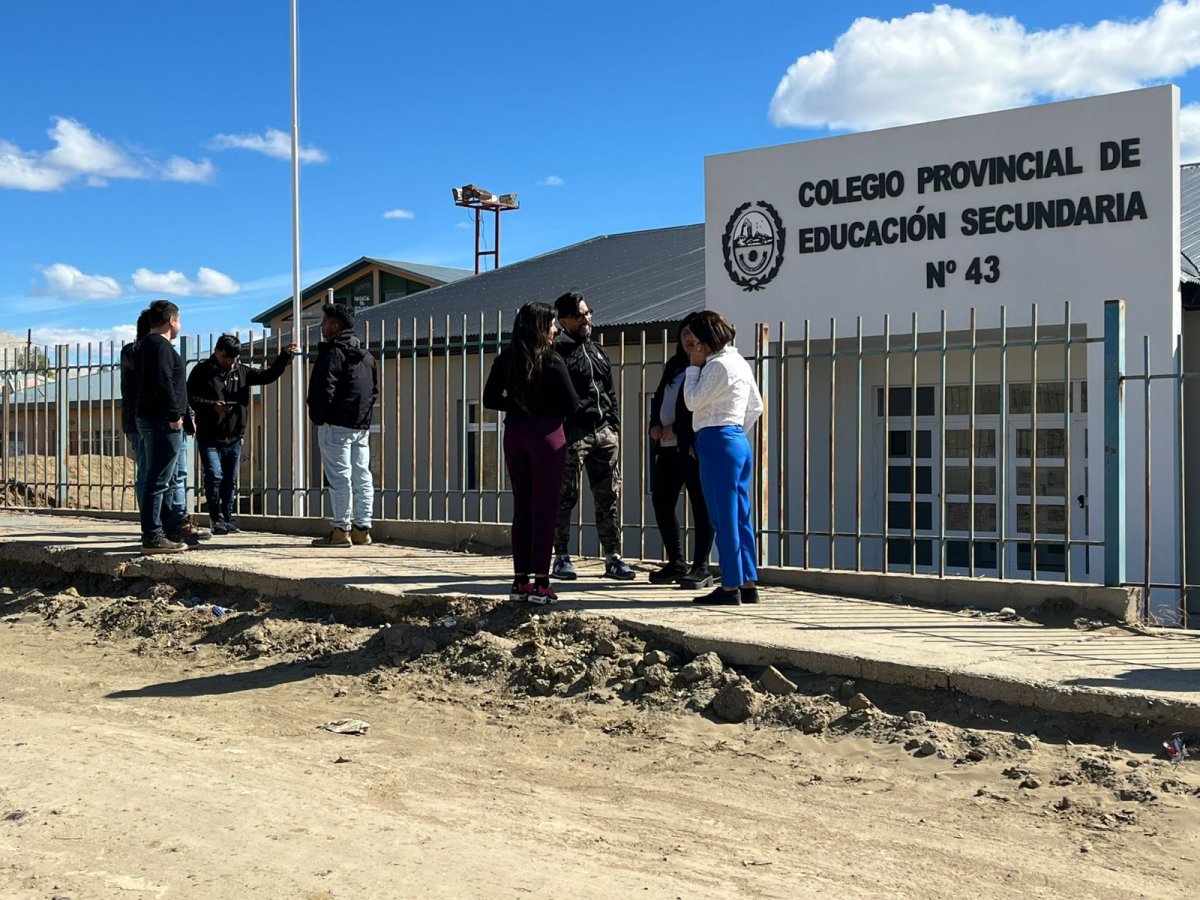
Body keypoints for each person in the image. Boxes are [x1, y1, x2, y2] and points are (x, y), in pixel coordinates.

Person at [483, 302, 580, 604]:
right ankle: (542, 583)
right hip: (547, 436)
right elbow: (572, 404)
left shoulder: (506, 358)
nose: (555, 330)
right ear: (539, 327)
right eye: (551, 324)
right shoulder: (552, 360)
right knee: (545, 509)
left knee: (522, 507)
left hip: (515, 434)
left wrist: (518, 405)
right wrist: (543, 409)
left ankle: (520, 581)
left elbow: (489, 398)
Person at [551, 291, 635, 581]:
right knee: (565, 496)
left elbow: (609, 390)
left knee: (609, 495)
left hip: (604, 433)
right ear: (563, 321)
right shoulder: (557, 353)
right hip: (573, 432)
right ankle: (561, 556)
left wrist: (614, 425)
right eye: (579, 315)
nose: (586, 319)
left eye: (588, 313)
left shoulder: (599, 350)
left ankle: (613, 557)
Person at [682, 311, 764, 605]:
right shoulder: (739, 361)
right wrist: (735, 430)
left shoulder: (716, 366)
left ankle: (730, 585)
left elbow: (692, 400)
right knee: (740, 515)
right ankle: (748, 582)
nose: (692, 344)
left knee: (723, 516)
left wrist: (693, 368)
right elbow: (756, 406)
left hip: (716, 438)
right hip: (735, 439)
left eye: (695, 338)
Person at [188, 333, 297, 534]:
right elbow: (191, 398)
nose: (229, 362)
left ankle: (228, 519)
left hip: (234, 436)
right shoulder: (201, 371)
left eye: (233, 358)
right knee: (214, 475)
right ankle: (216, 518)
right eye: (225, 358)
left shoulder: (242, 371)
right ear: (216, 352)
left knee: (230, 479)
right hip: (209, 435)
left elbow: (267, 376)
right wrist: (213, 406)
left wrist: (284, 357)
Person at [647, 312, 715, 588]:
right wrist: (654, 425)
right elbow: (660, 398)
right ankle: (676, 561)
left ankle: (701, 565)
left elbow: (700, 403)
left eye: (694, 333)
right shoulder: (675, 365)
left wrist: (677, 428)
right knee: (662, 502)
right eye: (684, 332)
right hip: (665, 446)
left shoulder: (708, 365)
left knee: (701, 504)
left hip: (691, 445)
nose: (689, 338)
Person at [307, 303, 378, 547]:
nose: (321, 325)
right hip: (360, 425)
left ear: (336, 326)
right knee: (362, 476)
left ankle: (340, 530)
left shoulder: (333, 352)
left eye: (324, 322)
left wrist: (319, 416)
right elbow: (373, 391)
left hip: (335, 424)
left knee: (339, 478)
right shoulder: (367, 356)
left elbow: (323, 388)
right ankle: (362, 529)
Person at [134, 300, 189, 554]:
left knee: (161, 479)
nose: (179, 324)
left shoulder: (147, 345)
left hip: (153, 419)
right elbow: (164, 382)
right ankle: (153, 535)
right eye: (179, 320)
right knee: (158, 480)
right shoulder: (160, 346)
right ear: (172, 321)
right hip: (161, 421)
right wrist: (174, 414)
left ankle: (166, 530)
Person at [119, 309, 151, 507]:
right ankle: (149, 521)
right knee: (147, 472)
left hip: (147, 420)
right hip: (138, 421)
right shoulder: (133, 352)